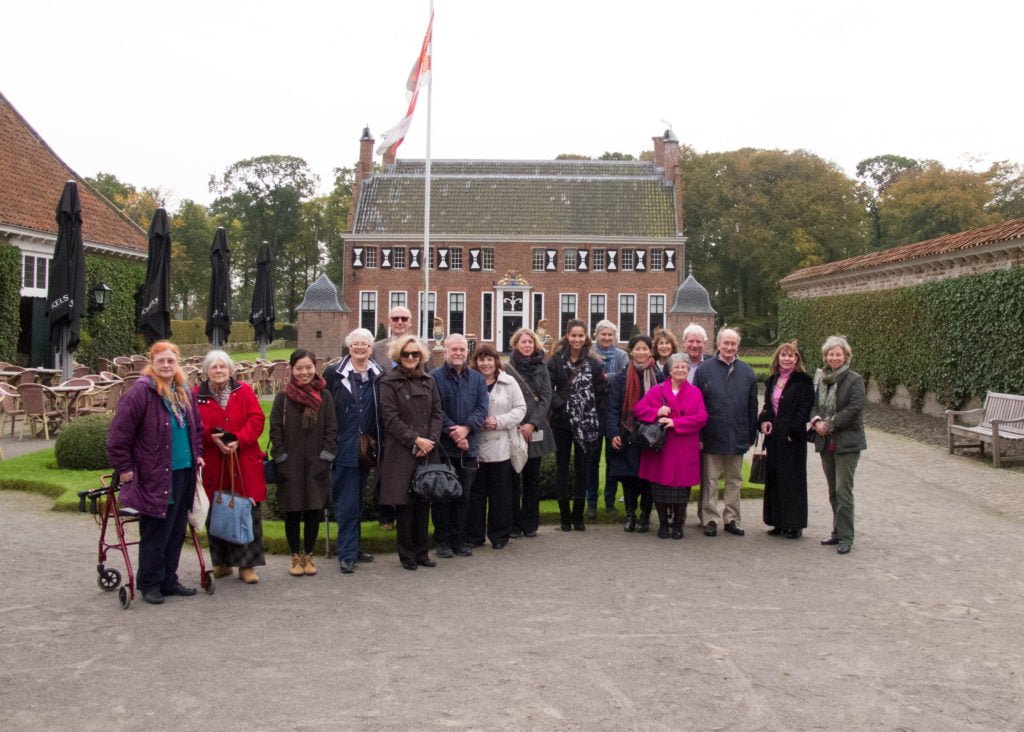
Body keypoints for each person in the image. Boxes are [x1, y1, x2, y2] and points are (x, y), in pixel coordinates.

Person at [106, 340, 205, 605]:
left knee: (176, 529)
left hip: (184, 470)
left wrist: (198, 454)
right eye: (160, 360)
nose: (166, 365)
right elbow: (118, 434)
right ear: (152, 363)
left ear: (177, 362)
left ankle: (169, 580)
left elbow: (196, 428)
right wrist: (124, 467)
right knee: (156, 529)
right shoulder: (140, 393)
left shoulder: (183, 390)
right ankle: (149, 583)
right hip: (155, 473)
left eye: (170, 360)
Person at [194, 349, 266, 584]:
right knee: (218, 512)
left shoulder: (243, 391)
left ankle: (247, 566)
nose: (218, 371)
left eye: (222, 367)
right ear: (206, 371)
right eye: (213, 367)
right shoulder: (196, 395)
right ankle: (222, 563)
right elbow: (193, 425)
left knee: (246, 512)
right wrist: (210, 437)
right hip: (215, 462)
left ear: (230, 370)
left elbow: (257, 419)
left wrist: (239, 439)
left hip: (243, 460)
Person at [269, 349, 337, 577]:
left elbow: (331, 429)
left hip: (316, 464)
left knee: (312, 511)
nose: (304, 372)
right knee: (292, 511)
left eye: (308, 367)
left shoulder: (325, 397)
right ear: (292, 370)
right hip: (291, 464)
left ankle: (308, 554)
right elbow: (275, 430)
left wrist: (325, 459)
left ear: (315, 368)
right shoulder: (283, 398)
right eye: (299, 368)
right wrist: (281, 458)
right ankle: (295, 556)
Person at [378, 335, 443, 570]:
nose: (410, 358)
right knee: (404, 503)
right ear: (398, 356)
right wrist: (415, 440)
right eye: (406, 354)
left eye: (415, 354)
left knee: (423, 501)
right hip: (402, 450)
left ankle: (422, 552)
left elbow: (437, 413)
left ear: (421, 357)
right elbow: (390, 418)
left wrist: (431, 440)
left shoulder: (429, 380)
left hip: (427, 449)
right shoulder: (388, 382)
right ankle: (406, 554)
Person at [325, 328, 382, 574]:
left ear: (371, 348)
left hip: (366, 447)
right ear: (349, 348)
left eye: (365, 344)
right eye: (355, 344)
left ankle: (354, 547)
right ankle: (346, 554)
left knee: (358, 501)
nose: (360, 348)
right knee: (347, 503)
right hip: (344, 446)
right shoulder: (334, 374)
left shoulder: (378, 374)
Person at [693, 327, 758, 537]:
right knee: (710, 479)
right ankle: (710, 518)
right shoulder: (705, 370)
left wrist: (750, 435)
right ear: (718, 344)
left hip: (738, 433)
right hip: (712, 433)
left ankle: (732, 518)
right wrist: (700, 436)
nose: (729, 347)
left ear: (738, 346)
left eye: (733, 344)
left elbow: (752, 406)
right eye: (726, 343)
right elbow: (697, 406)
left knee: (734, 480)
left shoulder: (747, 372)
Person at [635, 354, 708, 539]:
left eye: (684, 367)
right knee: (659, 489)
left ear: (689, 370)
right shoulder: (657, 390)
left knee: (681, 490)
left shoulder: (695, 392)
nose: (680, 370)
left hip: (683, 446)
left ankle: (677, 524)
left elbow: (702, 417)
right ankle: (662, 524)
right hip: (661, 448)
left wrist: (677, 423)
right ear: (669, 370)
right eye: (676, 367)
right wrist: (656, 411)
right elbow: (639, 409)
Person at [430, 333, 488, 557]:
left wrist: (467, 429)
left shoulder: (477, 379)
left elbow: (482, 407)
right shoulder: (434, 377)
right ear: (445, 352)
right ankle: (442, 541)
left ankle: (458, 539)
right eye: (453, 349)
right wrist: (454, 432)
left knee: (463, 496)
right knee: (442, 496)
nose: (458, 353)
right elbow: (436, 410)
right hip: (445, 448)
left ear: (467, 352)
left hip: (468, 448)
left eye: (462, 349)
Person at [548, 319, 608, 531]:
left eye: (580, 336)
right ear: (567, 336)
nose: (576, 339)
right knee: (562, 468)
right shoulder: (555, 361)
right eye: (573, 335)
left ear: (585, 338)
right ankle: (565, 516)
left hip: (586, 423)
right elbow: (548, 390)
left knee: (583, 470)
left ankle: (578, 516)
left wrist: (593, 415)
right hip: (563, 422)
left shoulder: (594, 363)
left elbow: (601, 392)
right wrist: (563, 406)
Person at [466, 344, 526, 549]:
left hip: (501, 445)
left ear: (496, 361)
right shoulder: (468, 382)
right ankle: (474, 535)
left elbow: (520, 408)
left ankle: (499, 535)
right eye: (481, 359)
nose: (485, 363)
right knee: (476, 493)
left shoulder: (509, 382)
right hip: (475, 443)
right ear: (476, 361)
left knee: (500, 494)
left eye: (489, 359)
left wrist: (499, 421)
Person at [811, 335, 867, 555]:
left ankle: (846, 537)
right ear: (826, 356)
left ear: (846, 356)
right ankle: (837, 531)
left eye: (838, 354)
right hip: (826, 442)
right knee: (833, 490)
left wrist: (830, 425)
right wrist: (816, 422)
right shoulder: (823, 379)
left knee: (844, 491)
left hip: (847, 443)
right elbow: (815, 406)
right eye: (830, 354)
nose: (834, 357)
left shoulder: (855, 380)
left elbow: (855, 409)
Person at [606, 335, 665, 532]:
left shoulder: (659, 376)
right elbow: (613, 406)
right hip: (628, 433)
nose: (641, 352)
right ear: (631, 352)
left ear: (650, 351)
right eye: (637, 349)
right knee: (629, 477)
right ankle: (630, 514)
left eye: (644, 349)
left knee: (648, 478)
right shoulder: (622, 376)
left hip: (650, 434)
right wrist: (613, 432)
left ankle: (645, 515)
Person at [503, 327, 557, 539]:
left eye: (530, 342)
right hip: (514, 429)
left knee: (532, 479)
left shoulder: (542, 367)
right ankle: (514, 524)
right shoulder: (507, 369)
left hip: (534, 429)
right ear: (515, 344)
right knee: (513, 478)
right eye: (523, 342)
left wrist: (532, 423)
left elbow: (546, 397)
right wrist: (517, 423)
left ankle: (530, 523)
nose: (527, 345)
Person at [758, 341, 815, 539]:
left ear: (797, 359)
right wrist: (764, 421)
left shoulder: (804, 381)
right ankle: (778, 521)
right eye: (783, 355)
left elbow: (804, 411)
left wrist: (791, 430)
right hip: (774, 437)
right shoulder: (772, 380)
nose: (787, 358)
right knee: (775, 479)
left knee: (792, 480)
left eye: (791, 355)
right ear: (778, 357)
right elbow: (767, 406)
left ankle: (794, 523)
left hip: (792, 437)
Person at [370, 305, 413, 531]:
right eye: (395, 318)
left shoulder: (419, 347)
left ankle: (407, 510)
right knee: (384, 467)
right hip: (384, 417)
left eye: (403, 318)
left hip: (412, 418)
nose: (399, 322)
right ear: (388, 321)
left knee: (409, 467)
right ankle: (385, 514)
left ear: (410, 322)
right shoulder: (376, 349)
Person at [590, 319, 630, 517]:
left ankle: (609, 500)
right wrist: (608, 377)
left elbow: (624, 378)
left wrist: (604, 376)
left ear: (615, 337)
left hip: (614, 413)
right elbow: (589, 378)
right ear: (596, 335)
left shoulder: (623, 355)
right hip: (594, 413)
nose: (606, 338)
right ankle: (590, 502)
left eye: (610, 335)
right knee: (592, 460)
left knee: (613, 459)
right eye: (603, 334)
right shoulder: (589, 354)